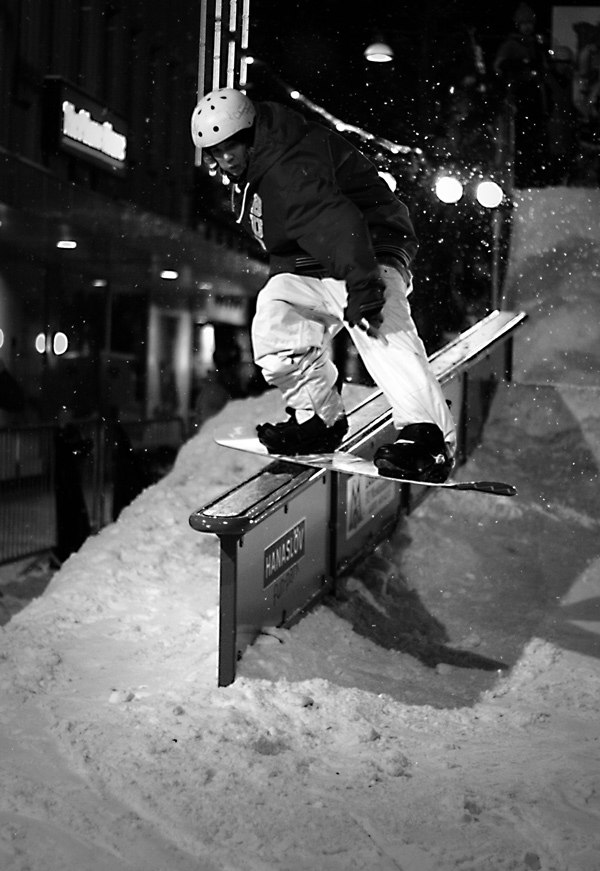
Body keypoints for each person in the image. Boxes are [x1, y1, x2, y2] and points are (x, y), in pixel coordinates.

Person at [190, 88, 456, 482]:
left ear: (250, 134)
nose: (225, 158)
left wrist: (364, 286)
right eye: (216, 152)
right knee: (275, 314)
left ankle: (428, 437)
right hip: (316, 260)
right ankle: (319, 418)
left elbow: (337, 224)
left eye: (232, 147)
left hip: (369, 246)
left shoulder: (289, 167)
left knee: (378, 326)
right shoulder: (255, 170)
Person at [494, 3, 550, 187]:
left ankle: (536, 175)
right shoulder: (511, 44)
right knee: (520, 137)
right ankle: (521, 176)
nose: (527, 27)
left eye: (530, 24)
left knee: (535, 136)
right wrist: (521, 65)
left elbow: (543, 68)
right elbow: (499, 67)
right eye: (524, 24)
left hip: (534, 94)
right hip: (518, 94)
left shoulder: (536, 44)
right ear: (518, 25)